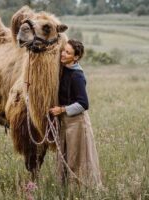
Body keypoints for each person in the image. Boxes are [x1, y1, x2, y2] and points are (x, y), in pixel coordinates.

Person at [49, 39, 103, 189]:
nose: (63, 54)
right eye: (63, 50)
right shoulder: (64, 69)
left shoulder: (77, 75)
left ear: (76, 57)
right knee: (67, 156)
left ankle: (81, 190)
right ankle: (66, 189)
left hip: (77, 123)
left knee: (77, 158)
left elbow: (84, 103)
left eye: (68, 52)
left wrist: (62, 110)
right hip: (66, 122)